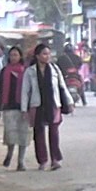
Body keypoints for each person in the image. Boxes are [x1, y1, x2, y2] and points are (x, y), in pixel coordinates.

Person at [22, 41, 72, 169]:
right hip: (37, 105)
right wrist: (24, 109)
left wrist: (69, 102)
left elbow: (62, 86)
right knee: (38, 133)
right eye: (44, 54)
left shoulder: (55, 69)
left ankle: (55, 159)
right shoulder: (30, 72)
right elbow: (25, 91)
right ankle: (42, 161)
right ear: (37, 56)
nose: (47, 56)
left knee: (54, 132)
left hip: (53, 104)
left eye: (48, 54)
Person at [0, 45, 31, 170]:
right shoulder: (4, 71)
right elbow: (1, 89)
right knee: (10, 134)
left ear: (20, 56)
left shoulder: (26, 72)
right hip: (8, 106)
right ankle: (9, 154)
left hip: (23, 107)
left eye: (16, 55)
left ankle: (21, 162)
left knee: (23, 135)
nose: (13, 57)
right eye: (11, 55)